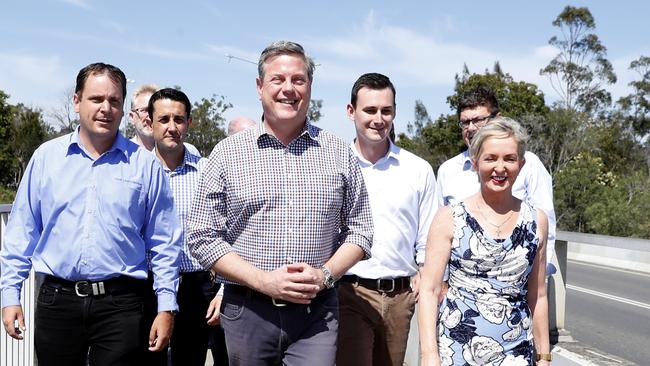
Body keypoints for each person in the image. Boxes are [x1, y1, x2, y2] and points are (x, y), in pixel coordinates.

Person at [186, 40, 374, 366]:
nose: (289, 89)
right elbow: (201, 235)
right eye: (278, 79)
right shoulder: (228, 154)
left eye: (298, 80)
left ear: (310, 87)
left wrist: (326, 275)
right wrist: (263, 281)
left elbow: (361, 231)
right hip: (247, 311)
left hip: (316, 314)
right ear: (260, 87)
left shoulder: (338, 152)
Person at [0, 63, 182, 366]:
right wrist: (10, 295)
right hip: (58, 301)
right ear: (76, 102)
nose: (105, 108)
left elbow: (164, 242)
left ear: (123, 108)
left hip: (122, 305)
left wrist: (166, 307)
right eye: (96, 99)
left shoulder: (145, 166)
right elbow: (22, 231)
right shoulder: (46, 158)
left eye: (114, 101)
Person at [418, 117, 551, 366]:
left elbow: (538, 295)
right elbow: (429, 290)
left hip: (517, 352)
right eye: (491, 158)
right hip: (456, 352)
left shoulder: (536, 221)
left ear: (520, 165)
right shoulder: (449, 218)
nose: (500, 168)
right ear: (475, 163)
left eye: (509, 159)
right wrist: (429, 355)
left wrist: (544, 357)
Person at [336, 73, 436, 366]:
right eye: (370, 110)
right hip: (349, 293)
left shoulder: (417, 169)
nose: (378, 119)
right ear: (351, 111)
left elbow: (427, 234)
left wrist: (427, 274)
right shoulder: (335, 164)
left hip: (400, 297)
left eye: (386, 110)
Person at [146, 87, 226, 365]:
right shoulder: (137, 170)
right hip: (148, 285)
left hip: (197, 285)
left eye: (178, 120)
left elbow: (229, 229)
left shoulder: (207, 171)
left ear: (189, 123)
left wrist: (224, 288)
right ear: (150, 122)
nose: (172, 127)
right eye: (164, 119)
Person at [435, 86, 556, 268]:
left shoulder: (528, 164)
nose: (471, 128)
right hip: (462, 287)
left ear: (497, 118)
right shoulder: (447, 171)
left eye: (478, 120)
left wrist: (538, 280)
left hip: (518, 283)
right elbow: (439, 231)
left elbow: (546, 227)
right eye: (465, 122)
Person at [129, 83, 201, 156]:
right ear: (131, 117)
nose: (149, 117)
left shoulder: (190, 152)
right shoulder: (125, 154)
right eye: (145, 110)